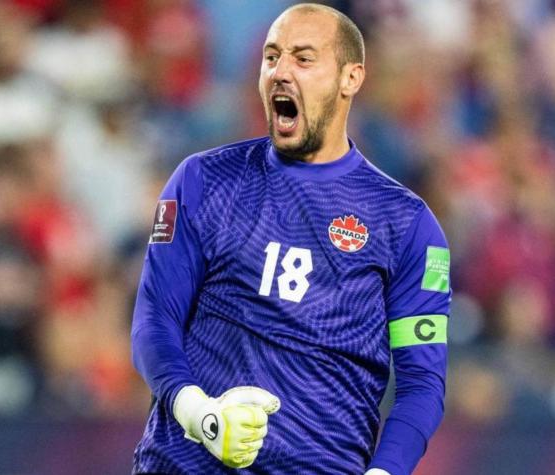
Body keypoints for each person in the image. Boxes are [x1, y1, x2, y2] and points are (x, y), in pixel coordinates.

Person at [131, 4, 450, 474]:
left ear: (350, 78)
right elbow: (154, 321)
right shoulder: (201, 181)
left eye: (303, 59)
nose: (280, 72)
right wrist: (200, 415)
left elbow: (421, 384)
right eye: (271, 57)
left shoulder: (408, 226)